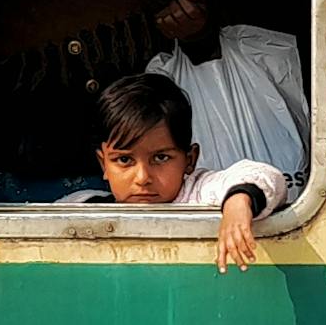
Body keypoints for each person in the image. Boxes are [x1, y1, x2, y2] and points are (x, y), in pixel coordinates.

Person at [60, 73, 291, 274]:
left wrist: (238, 204)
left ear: (190, 159)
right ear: (104, 165)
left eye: (160, 158)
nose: (142, 178)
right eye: (124, 160)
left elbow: (265, 176)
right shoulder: (86, 204)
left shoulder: (201, 192)